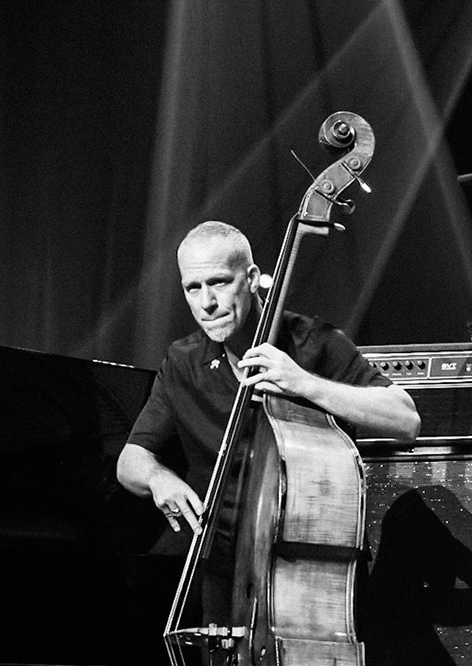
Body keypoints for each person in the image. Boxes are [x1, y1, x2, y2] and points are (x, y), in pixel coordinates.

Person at [117, 219, 420, 617]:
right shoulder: (183, 362)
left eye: (219, 282)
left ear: (252, 278)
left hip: (311, 567)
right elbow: (130, 461)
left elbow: (405, 420)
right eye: (193, 288)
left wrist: (304, 383)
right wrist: (158, 478)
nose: (207, 303)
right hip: (224, 570)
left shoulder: (314, 343)